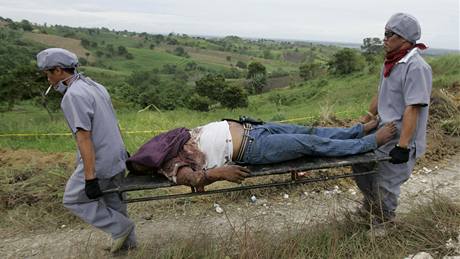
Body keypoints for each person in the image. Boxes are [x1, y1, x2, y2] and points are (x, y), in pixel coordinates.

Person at [36, 48, 137, 253]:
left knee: (73, 198)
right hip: (116, 157)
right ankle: (128, 246)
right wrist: (123, 151)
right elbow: (113, 122)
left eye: (48, 73)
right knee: (113, 201)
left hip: (99, 161)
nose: (48, 79)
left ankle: (121, 228)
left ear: (57, 71)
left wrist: (90, 177)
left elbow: (84, 137)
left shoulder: (73, 96)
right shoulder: (96, 86)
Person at [127, 118, 397, 191]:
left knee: (308, 131)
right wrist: (220, 173)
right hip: (251, 148)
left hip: (254, 129)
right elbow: (195, 179)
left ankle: (355, 131)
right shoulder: (170, 166)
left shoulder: (171, 143)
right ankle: (368, 143)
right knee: (310, 144)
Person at [353, 13, 432, 230]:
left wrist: (403, 146)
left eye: (390, 34)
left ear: (405, 38)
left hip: (401, 137)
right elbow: (381, 94)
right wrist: (366, 119)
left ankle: (384, 223)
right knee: (360, 165)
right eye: (384, 33)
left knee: (386, 182)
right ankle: (371, 208)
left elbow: (413, 107)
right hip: (382, 131)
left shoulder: (416, 67)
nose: (385, 38)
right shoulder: (391, 62)